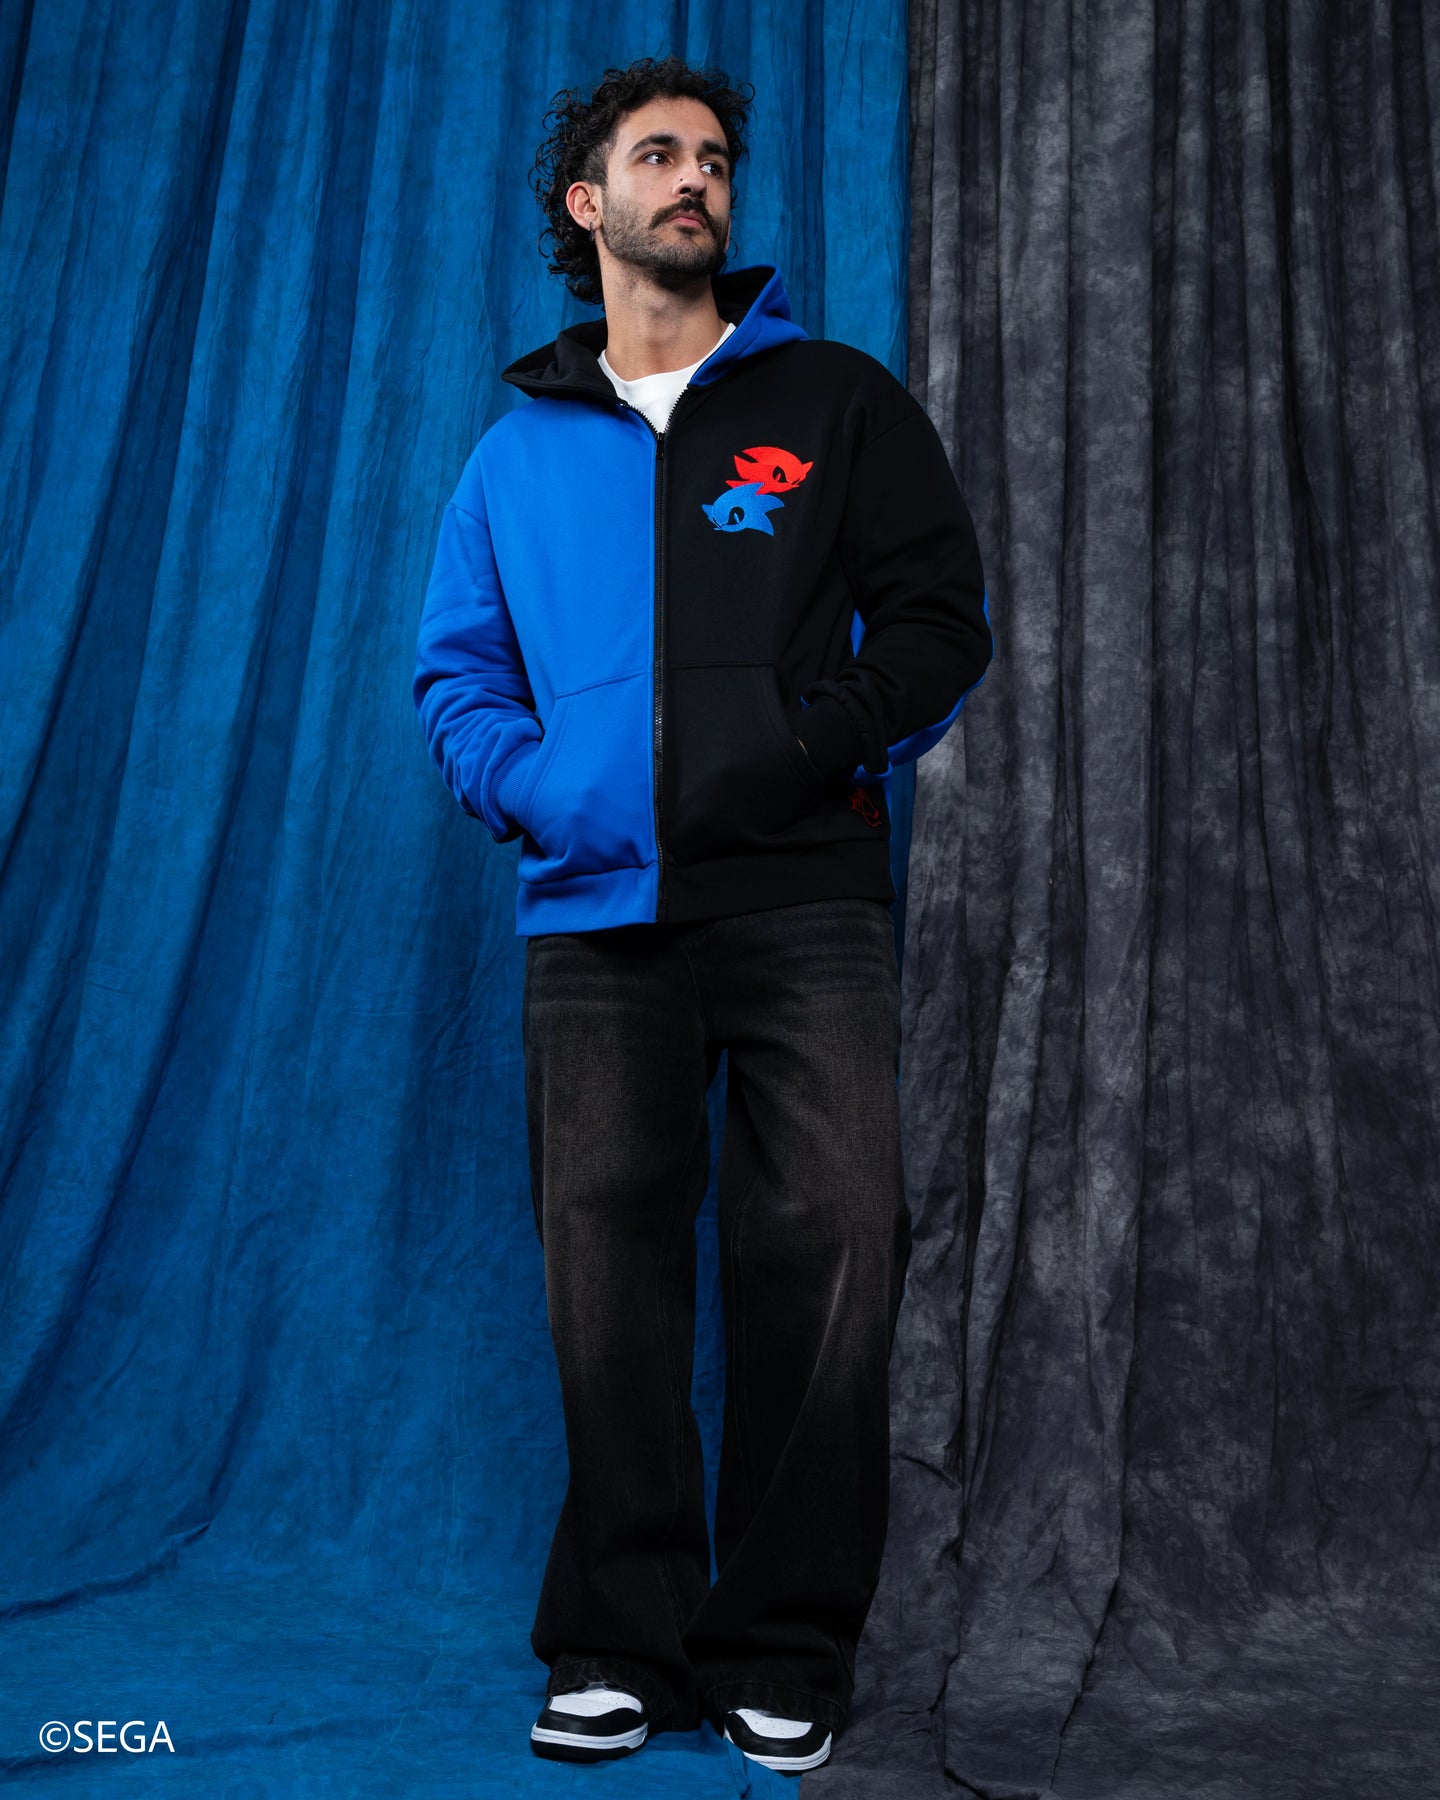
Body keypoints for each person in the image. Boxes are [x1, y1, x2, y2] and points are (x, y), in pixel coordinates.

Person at [412, 53, 991, 1776]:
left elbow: (938, 622)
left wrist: (805, 747)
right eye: (659, 155)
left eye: (718, 159)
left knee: (834, 1251)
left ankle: (785, 1643)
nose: (698, 180)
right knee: (607, 1273)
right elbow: (459, 676)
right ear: (586, 203)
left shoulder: (837, 402)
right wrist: (541, 791)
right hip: (594, 919)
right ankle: (618, 1640)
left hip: (803, 899)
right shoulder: (516, 455)